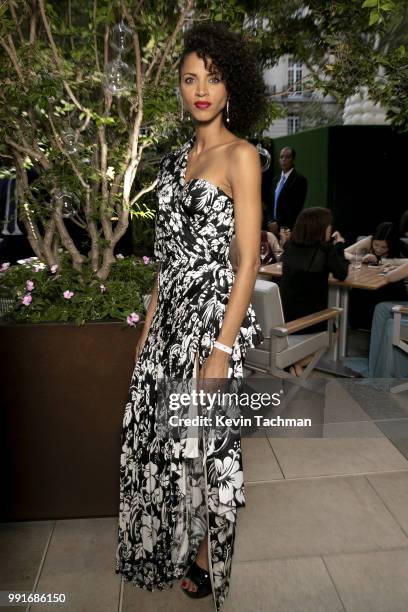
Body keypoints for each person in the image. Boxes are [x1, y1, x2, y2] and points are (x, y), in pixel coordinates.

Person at [115, 22, 267, 612]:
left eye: (214, 77)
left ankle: (206, 554)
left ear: (232, 88)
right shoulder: (174, 160)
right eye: (189, 78)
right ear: (179, 89)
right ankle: (176, 541)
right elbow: (166, 262)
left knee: (209, 447)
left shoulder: (243, 156)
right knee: (165, 443)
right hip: (168, 323)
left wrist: (223, 351)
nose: (201, 88)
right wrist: (147, 328)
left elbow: (248, 263)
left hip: (210, 324)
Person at [279, 207, 348, 376]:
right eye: (328, 225)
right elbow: (342, 274)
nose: (330, 228)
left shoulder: (289, 246)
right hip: (310, 320)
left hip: (284, 316)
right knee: (335, 330)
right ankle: (292, 362)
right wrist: (338, 246)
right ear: (321, 228)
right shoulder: (325, 250)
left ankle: (295, 364)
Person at [345, 222, 408, 329]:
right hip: (367, 283)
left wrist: (381, 261)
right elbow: (344, 253)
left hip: (391, 288)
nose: (378, 249)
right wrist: (361, 258)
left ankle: (372, 330)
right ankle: (357, 328)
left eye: (384, 247)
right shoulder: (369, 240)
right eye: (376, 245)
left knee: (376, 297)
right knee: (355, 293)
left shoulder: (400, 246)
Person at [267, 146, 307, 235]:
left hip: (288, 228)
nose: (283, 160)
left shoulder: (300, 180)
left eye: (287, 157)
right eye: (281, 157)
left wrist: (278, 223)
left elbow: (295, 207)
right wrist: (270, 222)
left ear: (293, 160)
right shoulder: (275, 180)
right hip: (272, 229)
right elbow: (270, 203)